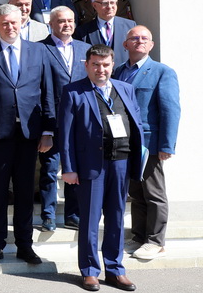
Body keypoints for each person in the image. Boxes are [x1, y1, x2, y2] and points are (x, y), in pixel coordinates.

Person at [0, 4, 55, 266]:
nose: (10, 27)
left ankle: (24, 245)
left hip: (29, 133)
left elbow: (47, 92)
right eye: (4, 23)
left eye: (14, 22)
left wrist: (48, 130)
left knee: (25, 193)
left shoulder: (39, 51)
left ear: (22, 22)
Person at [58, 44, 145, 292]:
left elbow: (136, 123)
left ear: (112, 65)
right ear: (86, 65)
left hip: (121, 163)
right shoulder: (73, 91)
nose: (101, 69)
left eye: (105, 65)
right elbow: (65, 134)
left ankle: (115, 270)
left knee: (116, 217)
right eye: (95, 64)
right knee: (89, 220)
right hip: (90, 166)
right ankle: (89, 271)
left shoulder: (125, 89)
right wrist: (69, 168)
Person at [116, 26, 181, 261]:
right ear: (125, 44)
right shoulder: (118, 71)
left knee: (153, 193)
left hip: (149, 144)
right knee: (136, 192)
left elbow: (170, 110)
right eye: (134, 38)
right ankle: (139, 236)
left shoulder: (162, 72)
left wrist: (166, 145)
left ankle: (155, 241)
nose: (139, 41)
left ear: (151, 45)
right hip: (125, 142)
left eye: (145, 38)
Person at [37, 6, 91, 231]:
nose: (66, 24)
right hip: (52, 121)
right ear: (51, 24)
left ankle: (73, 214)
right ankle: (48, 215)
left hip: (79, 123)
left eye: (70, 20)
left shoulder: (85, 49)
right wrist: (46, 129)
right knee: (50, 169)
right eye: (61, 21)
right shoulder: (39, 49)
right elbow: (39, 89)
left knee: (75, 168)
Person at [74, 0, 137, 68]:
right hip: (97, 73)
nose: (109, 7)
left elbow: (136, 51)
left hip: (123, 73)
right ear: (94, 5)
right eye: (105, 3)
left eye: (112, 3)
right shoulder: (83, 31)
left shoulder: (130, 26)